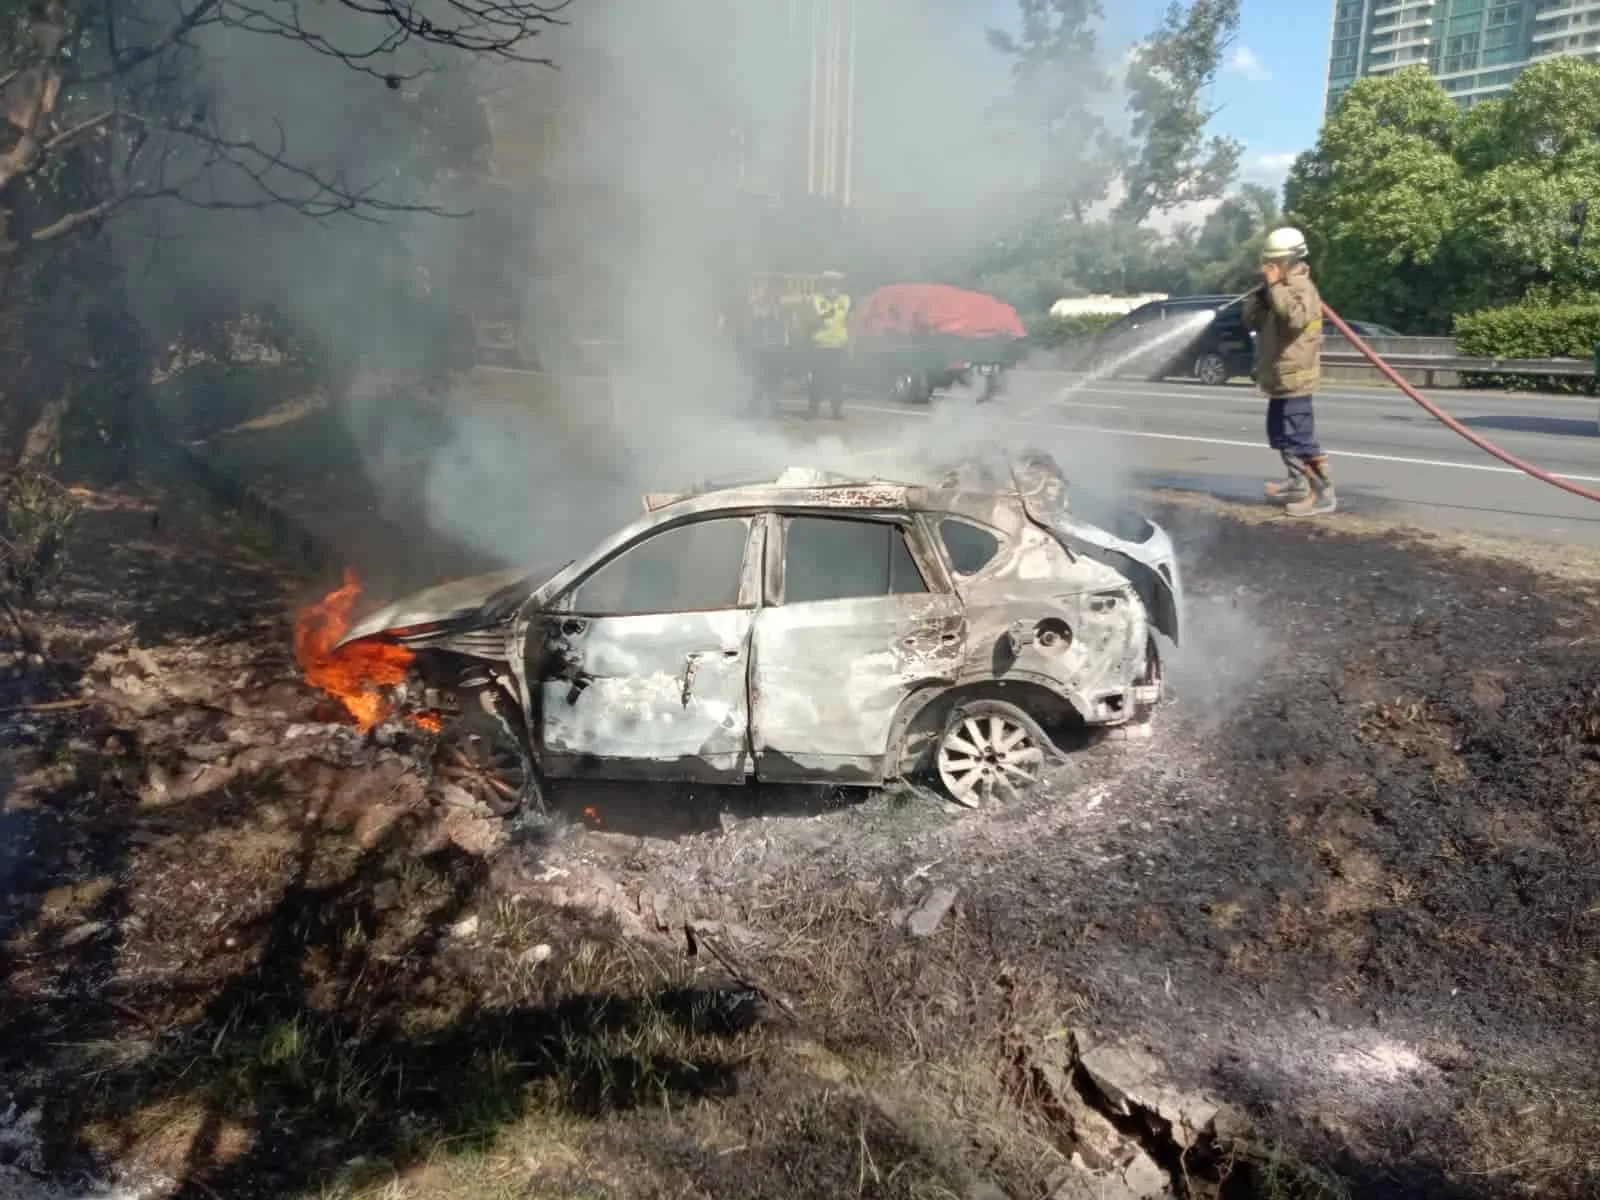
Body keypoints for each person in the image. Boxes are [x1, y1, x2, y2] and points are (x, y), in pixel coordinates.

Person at [1242, 227, 1334, 516]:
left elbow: (1293, 320)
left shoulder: (1301, 288)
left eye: (1274, 261)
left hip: (1297, 378)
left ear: (1291, 260)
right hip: (1280, 378)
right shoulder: (1277, 289)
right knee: (1280, 434)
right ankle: (1298, 483)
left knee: (1299, 437)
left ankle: (1323, 494)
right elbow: (1253, 323)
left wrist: (1275, 288)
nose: (1269, 267)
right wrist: (1259, 296)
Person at [807, 270, 851, 419]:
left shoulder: (845, 300)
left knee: (838, 381)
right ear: (825, 285)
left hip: (839, 346)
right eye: (830, 284)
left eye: (836, 284)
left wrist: (851, 342)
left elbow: (848, 321)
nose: (833, 288)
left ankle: (836, 411)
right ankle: (813, 410)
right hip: (820, 346)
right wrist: (827, 314)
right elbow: (814, 318)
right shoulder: (816, 299)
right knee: (818, 380)